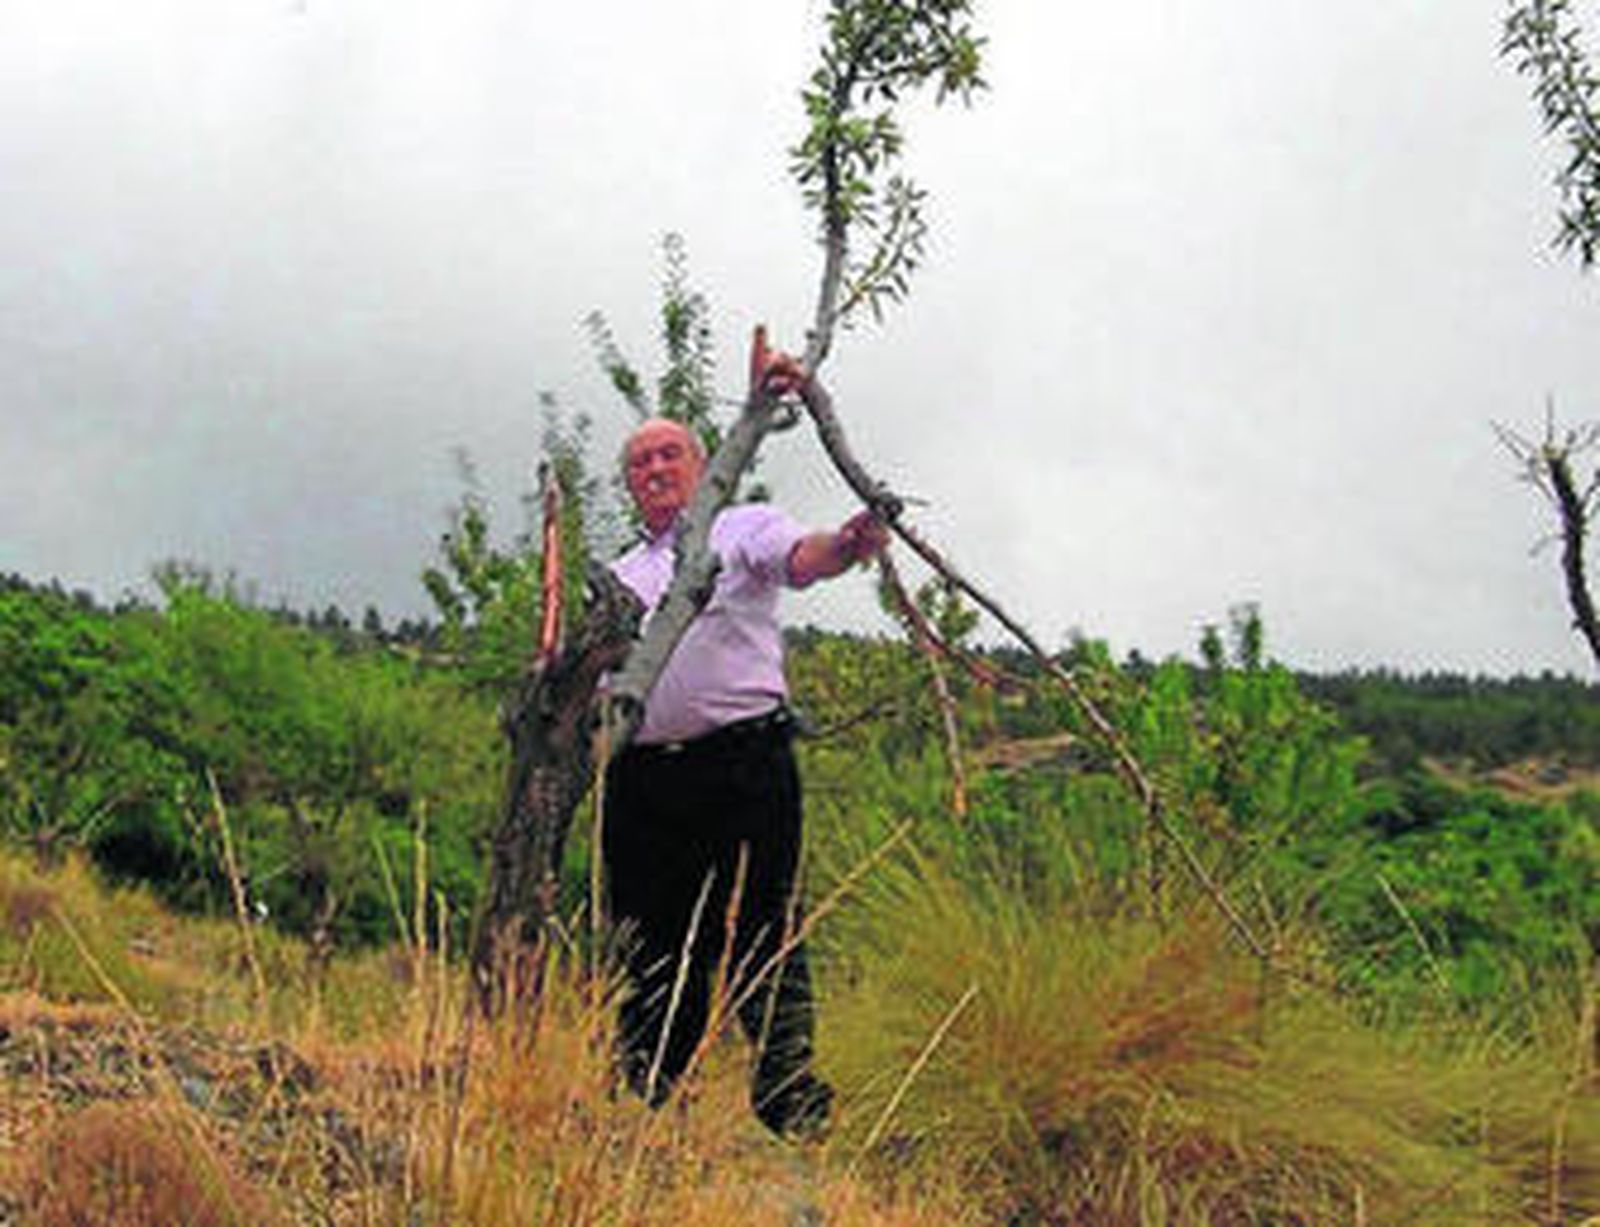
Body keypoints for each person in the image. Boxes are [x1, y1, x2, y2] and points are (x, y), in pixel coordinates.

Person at [603, 352, 885, 1139]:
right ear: (629, 484)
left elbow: (805, 559)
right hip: (645, 781)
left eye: (670, 454)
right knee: (653, 935)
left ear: (700, 465)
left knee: (763, 923)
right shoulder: (620, 576)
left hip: (745, 765)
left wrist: (849, 544)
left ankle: (790, 1102)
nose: (655, 468)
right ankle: (642, 1097)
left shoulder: (742, 528)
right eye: (640, 462)